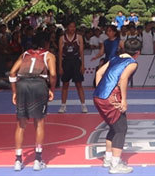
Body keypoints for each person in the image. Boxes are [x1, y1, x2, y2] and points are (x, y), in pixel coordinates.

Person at [9, 32, 57, 171]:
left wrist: (14, 91)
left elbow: (12, 73)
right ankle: (38, 159)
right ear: (47, 44)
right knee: (39, 122)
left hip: (22, 85)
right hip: (38, 85)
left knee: (21, 124)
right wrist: (51, 88)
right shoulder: (49, 55)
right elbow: (53, 74)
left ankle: (18, 160)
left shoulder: (25, 55)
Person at [93, 38, 141, 174]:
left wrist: (100, 90)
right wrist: (124, 100)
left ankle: (108, 158)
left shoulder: (114, 58)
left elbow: (98, 73)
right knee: (121, 128)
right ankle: (115, 164)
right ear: (138, 52)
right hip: (111, 96)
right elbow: (123, 79)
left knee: (113, 126)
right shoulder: (132, 63)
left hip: (98, 95)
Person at [58, 21, 87, 113]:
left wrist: (82, 65)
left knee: (79, 84)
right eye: (70, 27)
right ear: (67, 28)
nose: (72, 29)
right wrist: (60, 66)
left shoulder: (79, 37)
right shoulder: (62, 38)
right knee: (65, 84)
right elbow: (60, 53)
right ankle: (63, 105)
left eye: (74, 27)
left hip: (76, 62)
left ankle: (83, 105)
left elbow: (82, 52)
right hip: (66, 62)